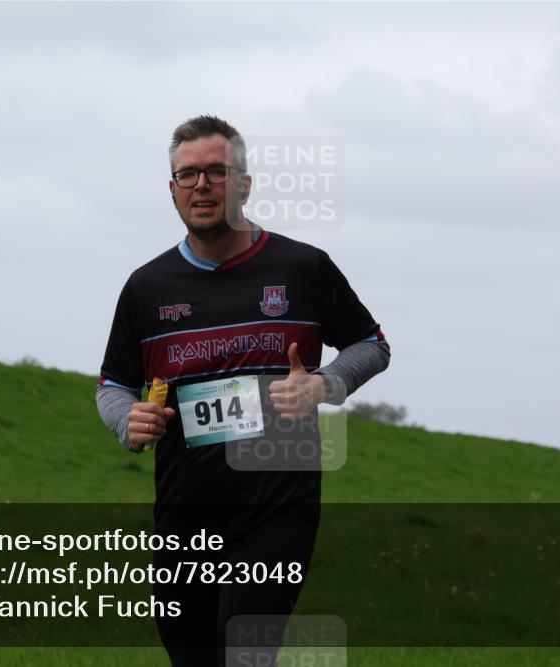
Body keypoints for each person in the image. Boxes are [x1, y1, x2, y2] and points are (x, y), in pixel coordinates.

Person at [95, 115, 390, 666]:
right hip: (184, 515)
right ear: (172, 190)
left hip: (276, 510)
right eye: (187, 175)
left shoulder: (304, 268)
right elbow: (114, 383)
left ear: (245, 184)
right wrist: (125, 420)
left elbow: (371, 345)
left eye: (216, 172)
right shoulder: (146, 287)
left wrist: (326, 384)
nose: (201, 186)